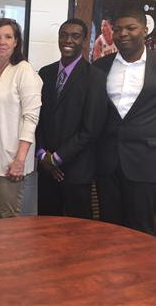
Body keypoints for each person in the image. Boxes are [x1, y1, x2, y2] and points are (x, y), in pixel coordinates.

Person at [93, 7, 156, 235]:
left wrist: (155, 135)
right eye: (117, 29)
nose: (123, 33)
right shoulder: (100, 66)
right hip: (108, 161)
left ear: (145, 31)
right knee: (108, 226)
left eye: (130, 28)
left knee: (142, 228)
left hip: (146, 160)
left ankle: (143, 273)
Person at [36, 18, 108, 219]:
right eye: (64, 35)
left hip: (77, 170)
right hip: (46, 170)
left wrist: (57, 158)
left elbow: (92, 128)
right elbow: (37, 119)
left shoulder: (95, 77)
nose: (68, 40)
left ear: (84, 41)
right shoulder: (45, 73)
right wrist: (43, 155)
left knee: (79, 232)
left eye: (75, 36)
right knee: (47, 227)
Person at [0, 18, 42, 219]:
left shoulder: (23, 70)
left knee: (8, 219)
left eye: (8, 37)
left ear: (16, 42)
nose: (2, 41)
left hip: (11, 159)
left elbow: (31, 117)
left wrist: (19, 160)